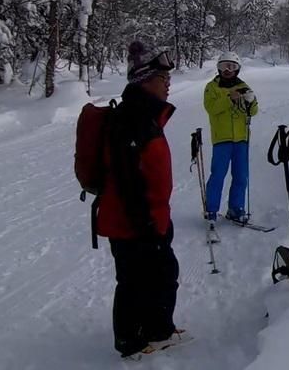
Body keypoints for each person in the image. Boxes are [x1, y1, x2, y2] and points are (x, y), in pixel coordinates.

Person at [97, 41, 185, 358]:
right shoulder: (132, 120)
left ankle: (155, 330)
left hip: (149, 217)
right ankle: (131, 341)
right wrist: (147, 226)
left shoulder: (142, 115)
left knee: (159, 276)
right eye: (163, 79)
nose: (168, 85)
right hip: (135, 223)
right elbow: (128, 181)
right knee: (136, 281)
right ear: (145, 81)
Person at [203, 51, 259, 224]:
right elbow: (211, 108)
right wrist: (229, 99)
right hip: (222, 139)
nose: (228, 70)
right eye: (224, 66)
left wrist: (251, 101)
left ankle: (236, 208)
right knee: (218, 174)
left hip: (241, 138)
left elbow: (254, 111)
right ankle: (211, 210)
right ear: (219, 69)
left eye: (232, 67)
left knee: (241, 176)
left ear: (237, 69)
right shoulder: (212, 87)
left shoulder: (244, 86)